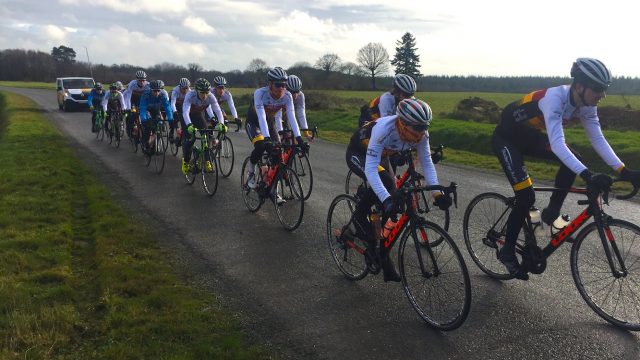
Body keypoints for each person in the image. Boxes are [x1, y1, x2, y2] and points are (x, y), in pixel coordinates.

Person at [492, 58, 640, 280]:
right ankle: (507, 251)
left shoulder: (587, 105)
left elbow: (597, 138)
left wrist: (623, 170)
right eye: (598, 89)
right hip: (506, 138)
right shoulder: (554, 99)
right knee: (525, 195)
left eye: (605, 89)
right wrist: (588, 175)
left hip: (530, 136)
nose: (603, 95)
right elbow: (558, 145)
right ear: (579, 86)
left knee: (575, 159)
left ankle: (550, 214)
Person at [346, 98, 452, 282]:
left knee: (393, 196)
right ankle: (359, 217)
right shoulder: (384, 129)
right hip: (360, 152)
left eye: (424, 126)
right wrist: (386, 199)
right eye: (417, 127)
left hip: (384, 154)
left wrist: (437, 193)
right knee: (386, 184)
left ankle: (380, 243)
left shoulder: (421, 134)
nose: (421, 132)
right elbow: (371, 169)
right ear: (402, 122)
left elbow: (426, 162)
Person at [244, 67, 307, 189]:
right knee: (261, 146)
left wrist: (299, 138)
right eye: (278, 85)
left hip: (269, 123)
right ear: (270, 84)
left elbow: (292, 118)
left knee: (278, 155)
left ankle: (271, 187)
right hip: (254, 123)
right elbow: (261, 117)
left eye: (284, 85)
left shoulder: (287, 96)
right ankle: (251, 172)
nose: (282, 88)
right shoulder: (260, 94)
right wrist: (267, 138)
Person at [180, 78, 225, 174]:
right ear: (196, 91)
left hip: (198, 115)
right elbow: (185, 112)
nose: (205, 95)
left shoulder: (211, 97)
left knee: (207, 135)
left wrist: (221, 123)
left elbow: (218, 111)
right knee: (190, 139)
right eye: (202, 93)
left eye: (206, 92)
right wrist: (189, 125)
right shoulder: (190, 95)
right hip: (187, 117)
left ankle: (207, 161)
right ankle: (186, 162)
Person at [138, 80, 173, 154]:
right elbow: (143, 108)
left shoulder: (163, 94)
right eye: (155, 91)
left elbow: (167, 107)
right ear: (151, 90)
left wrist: (170, 118)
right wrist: (144, 119)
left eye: (158, 91)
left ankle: (154, 138)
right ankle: (146, 142)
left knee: (159, 123)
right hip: (147, 110)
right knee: (148, 125)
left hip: (155, 110)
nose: (157, 93)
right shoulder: (146, 94)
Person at [274, 74, 313, 140]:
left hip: (287, 113)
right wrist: (279, 132)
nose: (294, 95)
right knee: (277, 138)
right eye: (291, 92)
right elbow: (278, 115)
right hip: (274, 113)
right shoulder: (281, 94)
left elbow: (301, 113)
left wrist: (306, 132)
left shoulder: (300, 96)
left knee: (291, 136)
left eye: (297, 91)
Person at [124, 70, 150, 136]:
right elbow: (128, 96)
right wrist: (128, 108)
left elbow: (149, 97)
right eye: (140, 80)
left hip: (141, 100)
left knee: (143, 112)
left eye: (143, 80)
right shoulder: (132, 84)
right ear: (136, 79)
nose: (142, 82)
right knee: (132, 114)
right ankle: (129, 128)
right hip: (132, 99)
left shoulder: (148, 85)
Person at [170, 77, 191, 144]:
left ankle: (182, 132)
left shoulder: (190, 92)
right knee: (175, 117)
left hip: (183, 105)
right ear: (180, 87)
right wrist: (175, 112)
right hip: (174, 104)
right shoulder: (175, 91)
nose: (185, 90)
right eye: (183, 88)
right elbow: (173, 103)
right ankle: (172, 131)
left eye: (186, 88)